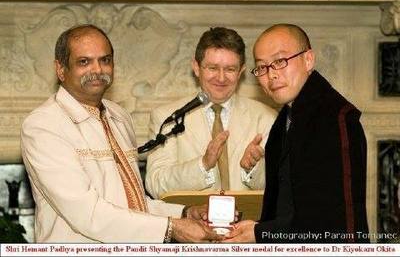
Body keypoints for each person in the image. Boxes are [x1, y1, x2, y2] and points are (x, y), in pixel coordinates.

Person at [20, 24, 221, 243]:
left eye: (105, 60)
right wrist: (172, 228)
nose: (97, 70)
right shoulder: (43, 125)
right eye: (84, 62)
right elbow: (88, 214)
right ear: (60, 69)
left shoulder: (119, 116)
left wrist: (184, 213)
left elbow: (131, 203)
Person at [224, 24, 369, 243]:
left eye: (280, 61)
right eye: (262, 67)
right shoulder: (286, 119)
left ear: (308, 60)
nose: (271, 74)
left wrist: (259, 233)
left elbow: (330, 220)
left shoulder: (335, 117)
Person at [145, 27, 276, 199]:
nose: (221, 78)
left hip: (249, 223)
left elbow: (282, 188)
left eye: (230, 69)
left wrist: (252, 168)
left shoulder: (267, 118)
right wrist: (203, 165)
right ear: (196, 67)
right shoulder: (167, 118)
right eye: (213, 68)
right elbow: (156, 184)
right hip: (190, 223)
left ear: (241, 72)